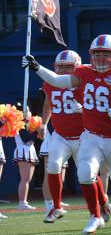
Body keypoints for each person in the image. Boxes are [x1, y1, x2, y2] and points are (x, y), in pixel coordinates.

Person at [22, 34, 111, 235]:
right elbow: (58, 81)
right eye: (96, 54)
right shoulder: (83, 72)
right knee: (85, 173)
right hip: (91, 136)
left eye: (105, 54)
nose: (100, 59)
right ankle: (94, 215)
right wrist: (37, 68)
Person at [39, 50, 85, 223]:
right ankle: (56, 207)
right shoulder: (50, 82)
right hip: (60, 135)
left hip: (83, 135)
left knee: (87, 174)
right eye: (61, 67)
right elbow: (48, 103)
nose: (64, 71)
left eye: (68, 67)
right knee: (53, 166)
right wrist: (44, 123)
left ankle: (101, 203)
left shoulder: (83, 82)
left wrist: (84, 110)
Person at [13, 103, 37, 210]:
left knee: (27, 179)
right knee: (25, 179)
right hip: (23, 150)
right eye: (26, 110)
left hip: (29, 151)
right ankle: (22, 203)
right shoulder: (19, 124)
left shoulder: (27, 124)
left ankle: (24, 202)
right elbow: (27, 140)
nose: (29, 112)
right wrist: (36, 131)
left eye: (28, 110)